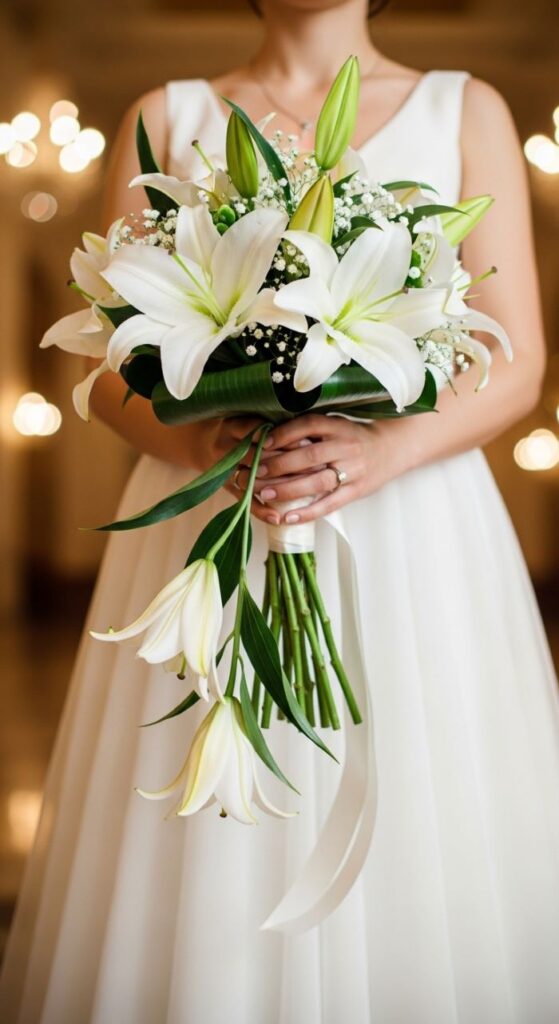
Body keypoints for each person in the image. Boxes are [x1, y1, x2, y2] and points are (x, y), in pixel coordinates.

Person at [3, 0, 559, 1020]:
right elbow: (119, 363)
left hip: (411, 526)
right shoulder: (163, 116)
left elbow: (516, 361)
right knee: (201, 810)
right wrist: (202, 440)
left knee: (418, 791)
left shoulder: (462, 110)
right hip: (210, 511)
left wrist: (377, 448)